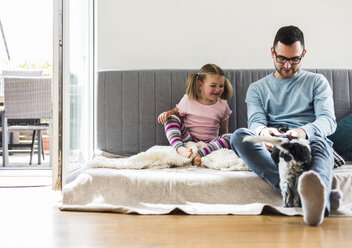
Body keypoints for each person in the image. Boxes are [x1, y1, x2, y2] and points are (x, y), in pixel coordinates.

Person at [230, 25, 342, 226]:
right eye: (281, 58)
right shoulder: (257, 88)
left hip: (311, 143)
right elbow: (255, 122)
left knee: (322, 144)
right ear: (272, 52)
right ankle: (303, 193)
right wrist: (264, 132)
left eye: (294, 59)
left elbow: (328, 121)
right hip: (278, 148)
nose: (288, 66)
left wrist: (302, 132)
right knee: (239, 136)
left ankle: (311, 195)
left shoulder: (317, 82)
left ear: (303, 54)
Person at [158, 64, 233, 166]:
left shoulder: (223, 104)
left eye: (221, 86)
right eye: (213, 85)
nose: (218, 89)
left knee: (231, 137)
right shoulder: (189, 99)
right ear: (200, 85)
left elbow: (224, 130)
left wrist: (221, 143)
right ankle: (179, 148)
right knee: (171, 119)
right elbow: (174, 112)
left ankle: (200, 154)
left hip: (210, 143)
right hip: (189, 139)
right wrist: (167, 114)